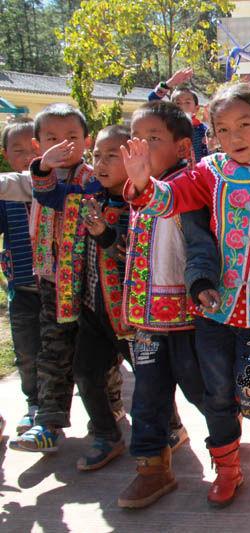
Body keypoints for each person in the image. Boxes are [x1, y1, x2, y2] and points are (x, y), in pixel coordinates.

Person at [122, 83, 250, 507]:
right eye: (223, 129)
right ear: (213, 136)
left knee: (249, 391)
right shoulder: (211, 172)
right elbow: (170, 199)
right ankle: (227, 469)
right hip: (214, 309)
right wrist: (143, 184)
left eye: (245, 124)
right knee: (216, 395)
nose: (235, 137)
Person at [115, 101, 206, 509]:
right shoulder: (134, 185)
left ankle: (227, 444)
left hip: (189, 316)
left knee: (202, 390)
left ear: (183, 146)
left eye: (155, 139)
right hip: (148, 319)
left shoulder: (190, 184)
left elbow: (161, 201)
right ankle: (152, 469)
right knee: (147, 396)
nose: (143, 148)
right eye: (138, 139)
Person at [44, 125, 132, 471]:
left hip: (127, 313)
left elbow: (133, 257)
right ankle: (107, 435)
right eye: (98, 155)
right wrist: (44, 167)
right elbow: (48, 194)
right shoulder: (88, 197)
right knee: (85, 371)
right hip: (93, 309)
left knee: (151, 376)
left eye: (113, 155)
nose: (102, 163)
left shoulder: (136, 202)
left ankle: (170, 430)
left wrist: (106, 235)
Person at [9, 104, 95, 453]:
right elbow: (30, 186)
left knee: (98, 356)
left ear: (87, 140)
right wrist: (44, 167)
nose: (63, 146)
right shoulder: (36, 177)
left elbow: (60, 198)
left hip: (93, 281)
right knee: (52, 350)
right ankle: (48, 421)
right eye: (52, 139)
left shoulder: (94, 177)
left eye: (72, 138)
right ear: (36, 144)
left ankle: (116, 410)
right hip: (51, 280)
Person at [0, 118, 41, 436]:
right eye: (18, 150)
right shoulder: (5, 196)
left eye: (35, 148)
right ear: (5, 155)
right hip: (23, 286)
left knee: (75, 354)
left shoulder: (57, 187)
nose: (28, 156)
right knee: (27, 351)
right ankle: (35, 405)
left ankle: (107, 404)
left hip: (62, 288)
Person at [150, 67, 210, 162]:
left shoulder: (204, 130)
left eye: (187, 102)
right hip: (174, 173)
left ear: (196, 108)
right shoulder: (167, 127)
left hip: (199, 174)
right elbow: (152, 101)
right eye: (178, 103)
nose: (182, 106)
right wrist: (170, 83)